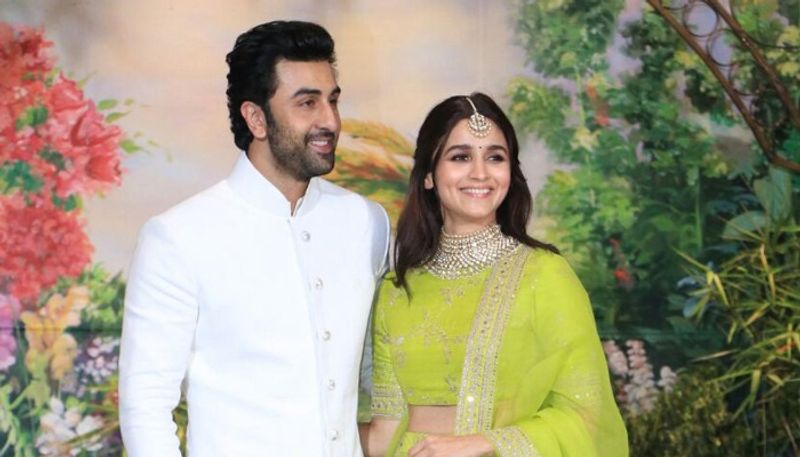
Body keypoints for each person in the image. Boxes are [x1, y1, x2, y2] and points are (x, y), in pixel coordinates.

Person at [119, 21, 390, 457]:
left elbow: (381, 373)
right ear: (256, 118)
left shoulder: (365, 222)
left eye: (333, 100)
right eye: (307, 103)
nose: (330, 120)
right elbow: (145, 407)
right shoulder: (179, 237)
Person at [359, 93, 627, 456]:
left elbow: (588, 415)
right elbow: (384, 432)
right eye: (460, 157)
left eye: (495, 157)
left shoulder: (544, 274)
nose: (480, 173)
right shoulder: (397, 291)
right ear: (428, 176)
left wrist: (482, 443)